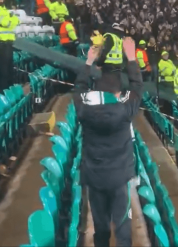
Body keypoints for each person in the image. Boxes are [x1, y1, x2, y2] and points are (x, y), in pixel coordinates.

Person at [73, 39, 142, 247]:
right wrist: (131, 57)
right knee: (122, 227)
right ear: (118, 94)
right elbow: (137, 86)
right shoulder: (124, 110)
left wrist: (88, 62)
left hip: (95, 178)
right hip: (119, 178)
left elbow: (79, 87)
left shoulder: (83, 108)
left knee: (100, 228)